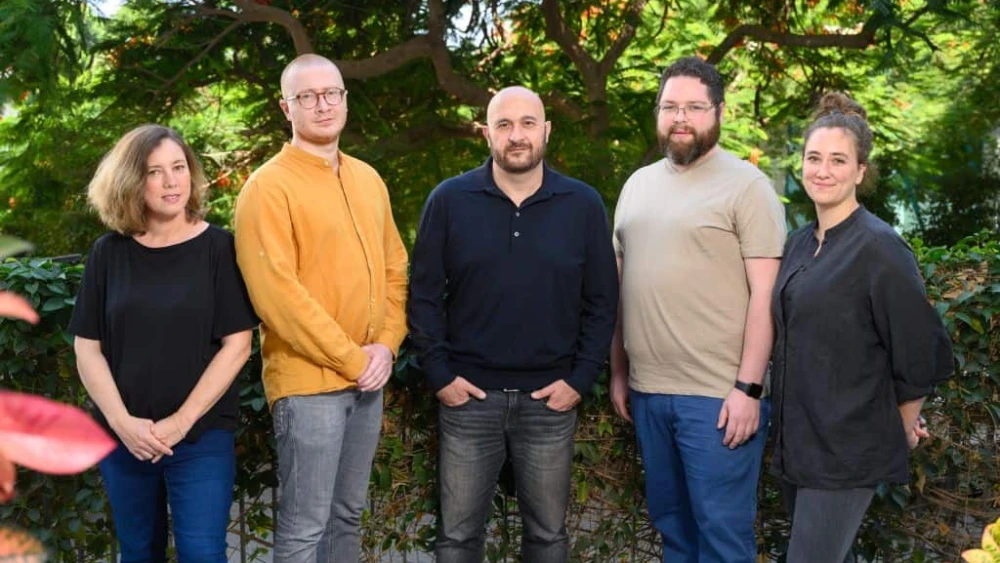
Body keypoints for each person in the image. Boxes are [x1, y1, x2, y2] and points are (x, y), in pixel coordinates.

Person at [407, 86, 619, 563]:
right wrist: (440, 376)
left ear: (546, 130)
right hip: (468, 402)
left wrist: (580, 379)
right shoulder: (449, 200)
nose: (516, 135)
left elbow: (602, 301)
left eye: (527, 123)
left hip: (550, 402)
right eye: (503, 125)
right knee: (457, 539)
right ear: (487, 134)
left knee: (547, 537)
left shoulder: (583, 204)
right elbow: (422, 295)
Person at [609, 56, 787, 563]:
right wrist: (619, 371)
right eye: (670, 106)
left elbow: (766, 299)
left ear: (719, 113)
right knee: (675, 535)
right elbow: (623, 291)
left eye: (693, 107)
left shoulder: (748, 187)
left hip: (717, 399)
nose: (680, 117)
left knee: (722, 542)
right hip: (648, 394)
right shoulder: (636, 186)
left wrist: (749, 389)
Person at [233, 54, 408, 563]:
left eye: (331, 93)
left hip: (369, 377)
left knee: (346, 518)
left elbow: (395, 268)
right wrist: (354, 359)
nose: (322, 104)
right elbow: (278, 296)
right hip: (309, 386)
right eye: (307, 97)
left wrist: (386, 347)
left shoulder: (368, 179)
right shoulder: (267, 187)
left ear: (345, 99)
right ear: (286, 107)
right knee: (305, 528)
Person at [769, 92, 953, 563]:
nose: (822, 170)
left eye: (837, 160)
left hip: (847, 452)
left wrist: (907, 424)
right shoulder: (797, 243)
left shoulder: (880, 248)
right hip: (798, 445)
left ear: (859, 171)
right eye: (813, 158)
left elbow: (919, 353)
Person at [69, 124, 258, 563]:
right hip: (124, 438)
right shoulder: (108, 253)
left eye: (179, 168)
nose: (171, 181)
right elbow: (87, 347)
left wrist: (179, 422)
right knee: (137, 554)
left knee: (203, 554)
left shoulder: (219, 248)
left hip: (200, 438)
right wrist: (122, 423)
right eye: (155, 172)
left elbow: (238, 345)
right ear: (132, 182)